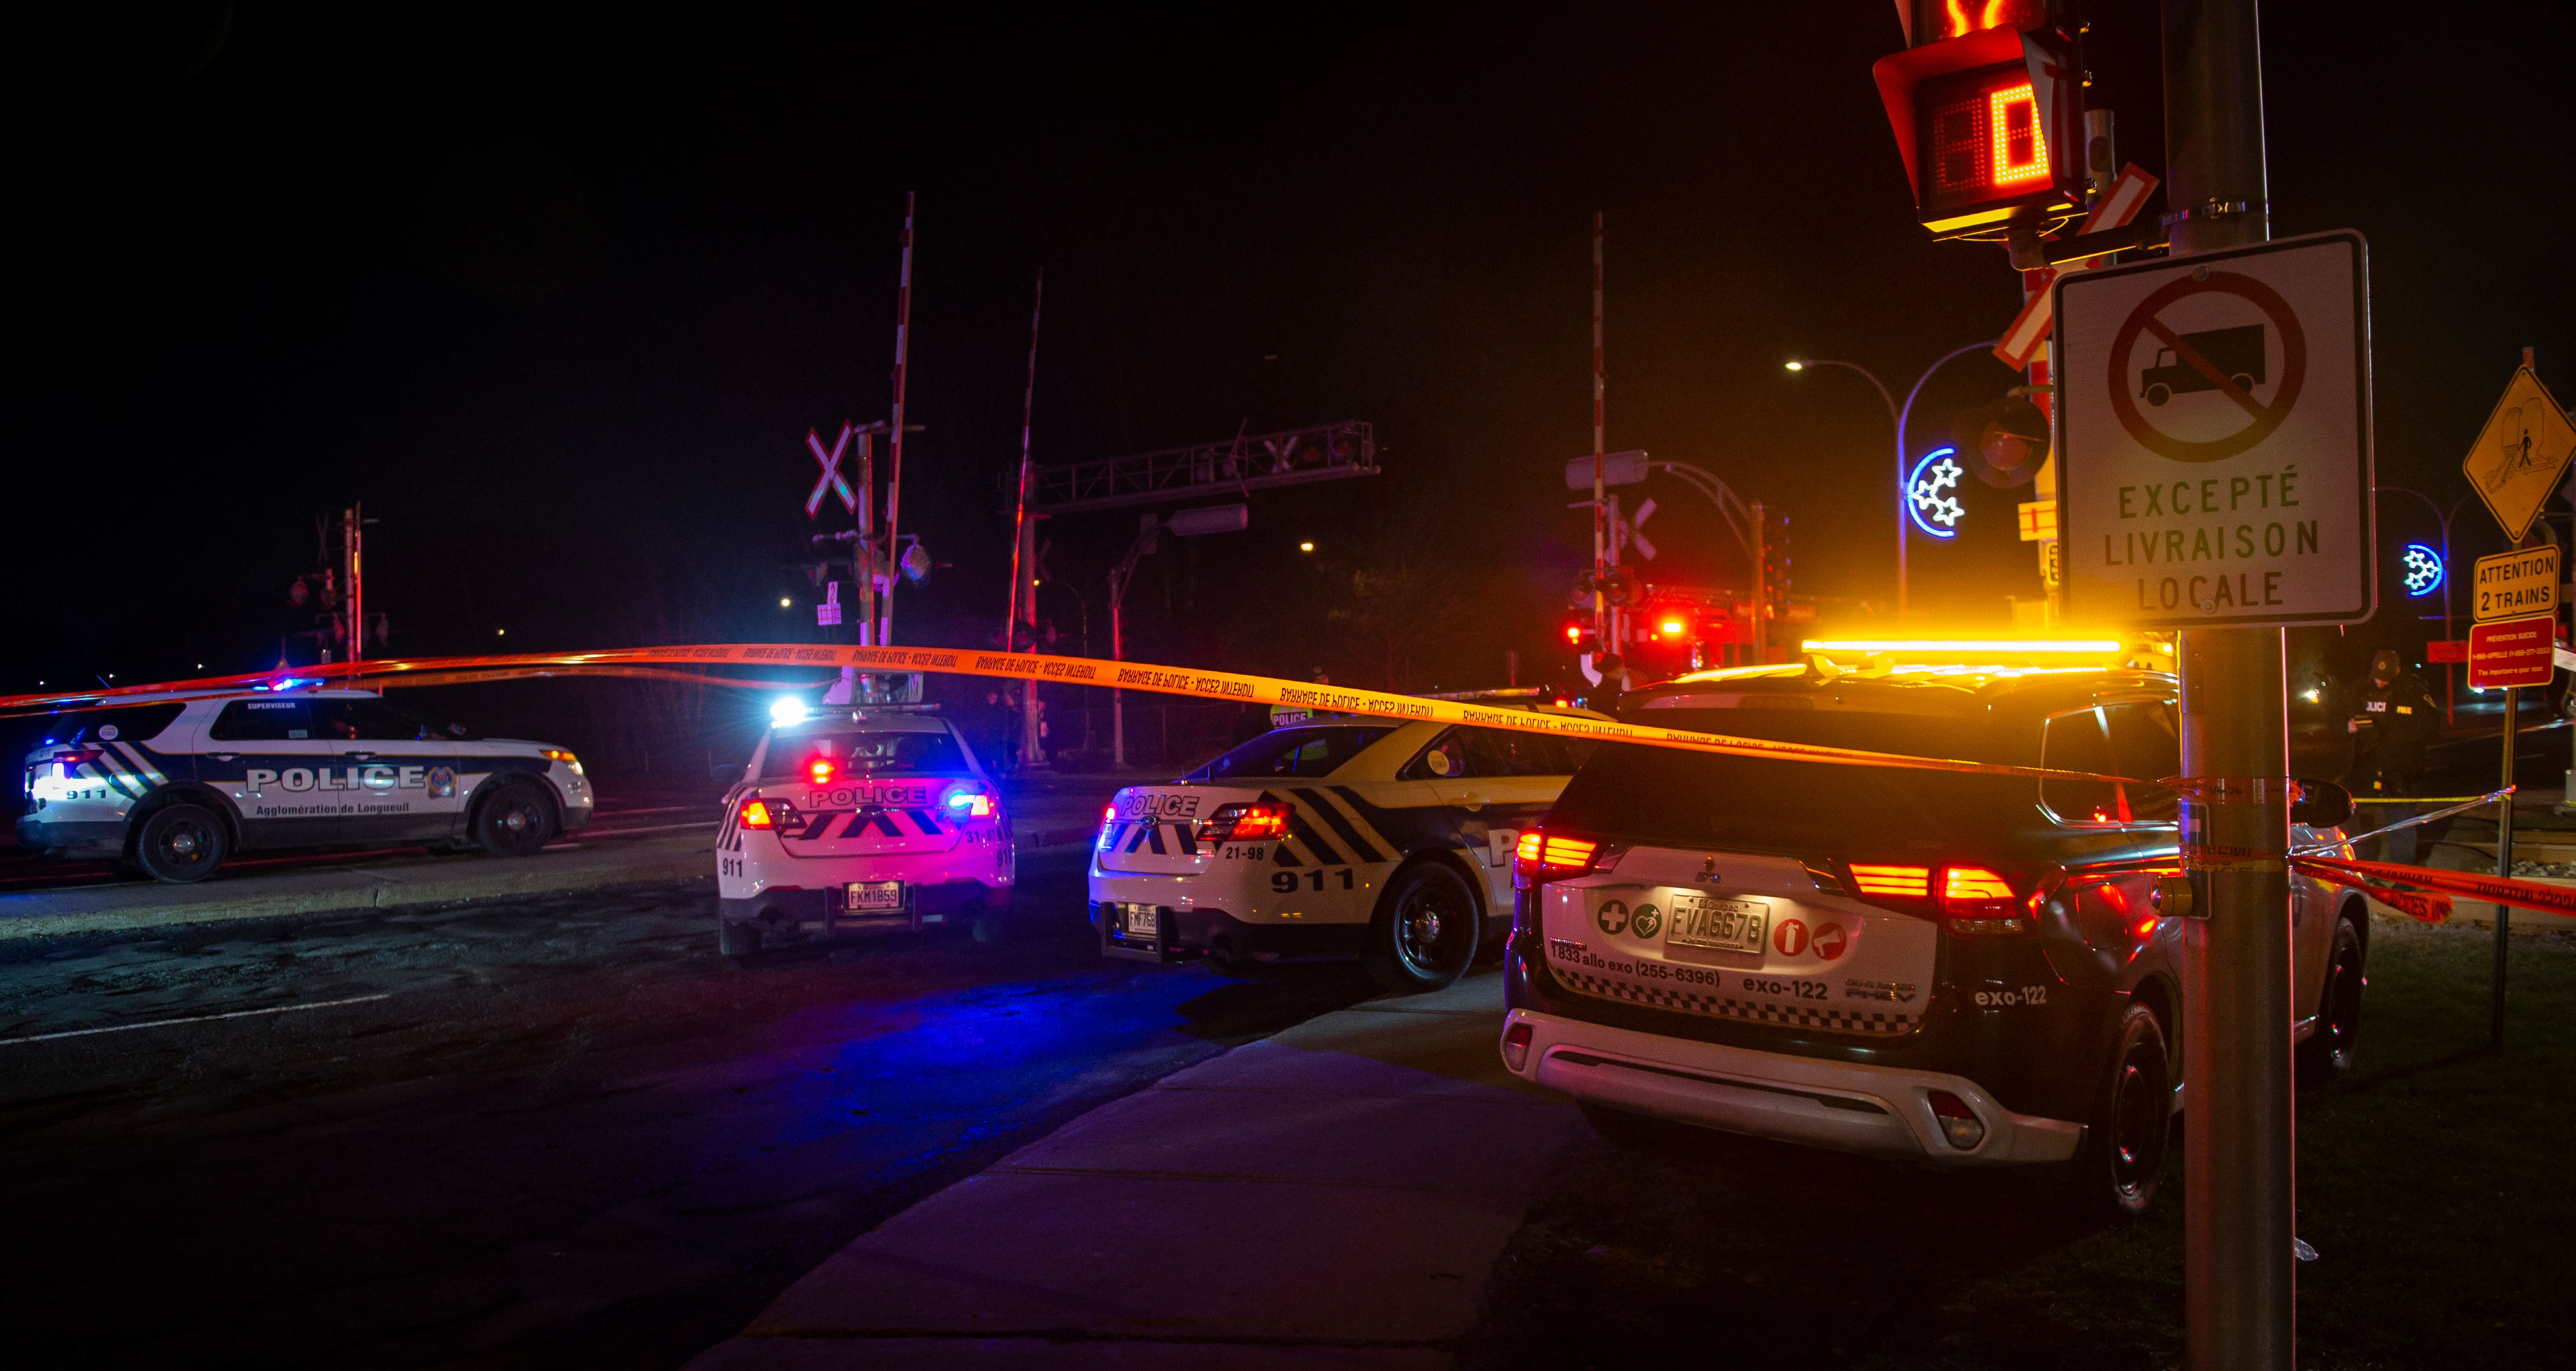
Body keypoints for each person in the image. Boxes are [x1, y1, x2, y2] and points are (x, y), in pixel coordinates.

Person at [2343, 648, 2440, 864]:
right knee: (2348, 811)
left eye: (2385, 679)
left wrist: (2392, 732)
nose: (2380, 683)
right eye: (2377, 677)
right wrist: (2346, 725)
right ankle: (2363, 863)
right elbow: (2335, 711)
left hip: (2401, 768)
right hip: (2366, 765)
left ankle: (2403, 872)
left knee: (2400, 819)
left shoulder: (2413, 691)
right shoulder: (2361, 689)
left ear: (2397, 672)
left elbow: (2433, 728)